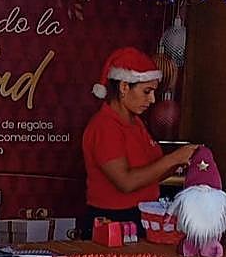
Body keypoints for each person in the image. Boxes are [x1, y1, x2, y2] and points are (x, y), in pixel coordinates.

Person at [80, 47, 198, 238]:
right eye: (147, 92)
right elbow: (125, 182)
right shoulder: (105, 126)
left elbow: (151, 174)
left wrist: (182, 161)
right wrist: (173, 158)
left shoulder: (137, 124)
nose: (152, 100)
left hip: (142, 215)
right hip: (114, 220)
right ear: (124, 87)